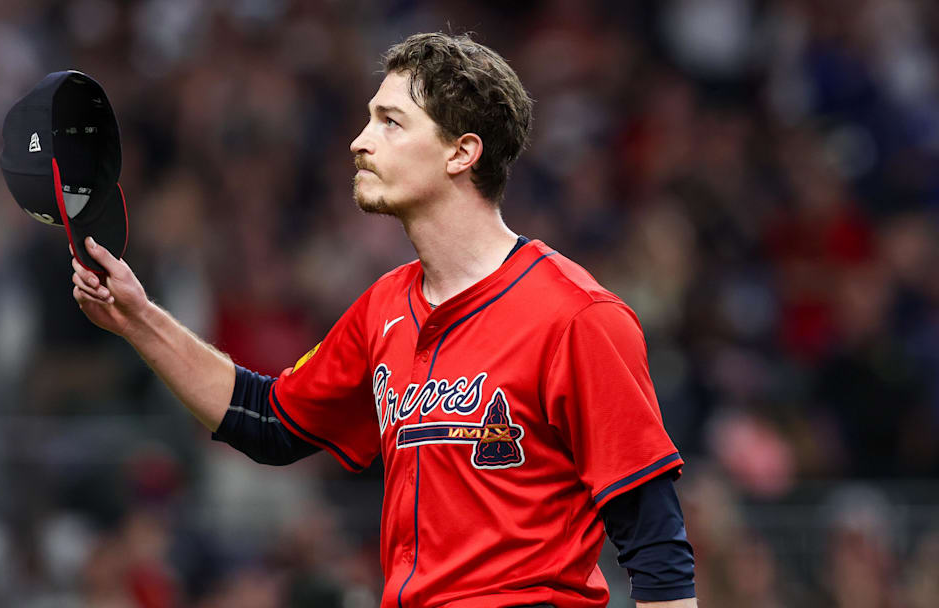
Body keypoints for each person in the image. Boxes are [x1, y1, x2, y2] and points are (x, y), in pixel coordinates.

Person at [70, 32, 697, 608]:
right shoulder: (384, 308)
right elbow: (271, 424)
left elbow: (657, 546)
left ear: (461, 152)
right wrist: (139, 318)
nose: (359, 141)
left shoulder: (578, 316)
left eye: (390, 122)